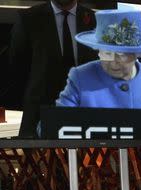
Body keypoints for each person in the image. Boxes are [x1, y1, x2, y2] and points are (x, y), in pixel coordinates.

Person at [56, 9, 141, 139]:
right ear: (98, 51)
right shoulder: (81, 77)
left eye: (121, 55)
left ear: (137, 53)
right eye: (107, 53)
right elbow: (53, 127)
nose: (113, 62)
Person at [9, 0, 96, 138]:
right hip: (38, 118)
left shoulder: (95, 20)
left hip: (86, 117)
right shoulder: (28, 18)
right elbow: (16, 71)